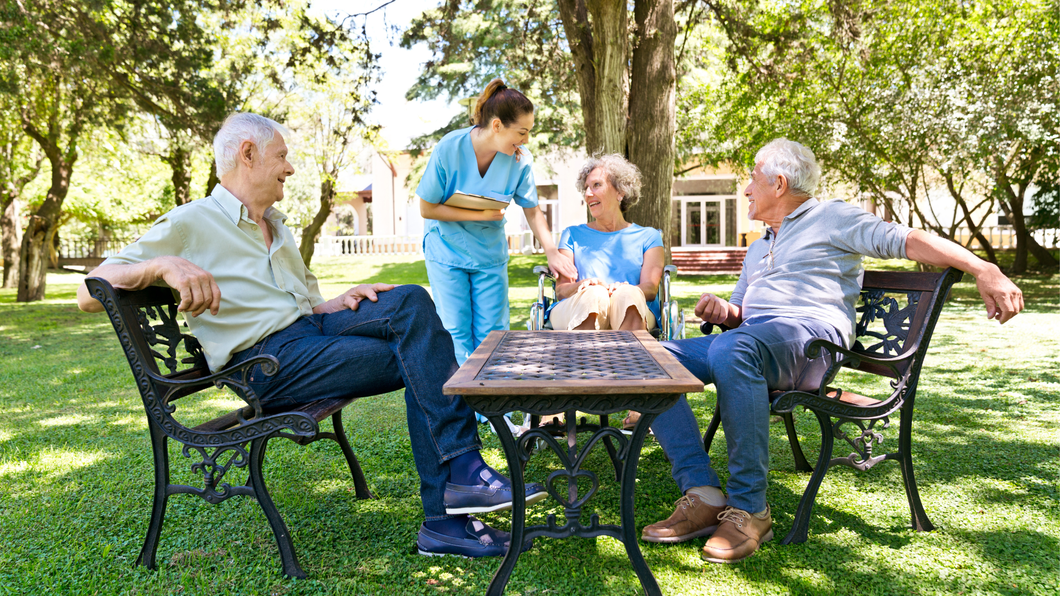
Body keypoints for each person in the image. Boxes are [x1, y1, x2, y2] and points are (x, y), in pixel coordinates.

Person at [76, 112, 549, 559]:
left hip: (311, 332)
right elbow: (88, 291)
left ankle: (456, 491)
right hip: (267, 364)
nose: (290, 167)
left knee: (409, 301)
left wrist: (342, 300)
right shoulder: (190, 222)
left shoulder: (275, 225)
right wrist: (164, 264)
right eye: (281, 156)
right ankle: (453, 502)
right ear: (247, 153)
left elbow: (301, 305)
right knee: (426, 360)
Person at [640, 138, 1024, 564]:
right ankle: (704, 492)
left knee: (735, 349)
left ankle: (750, 508)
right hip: (753, 339)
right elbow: (743, 314)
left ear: (779, 183)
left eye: (752, 177)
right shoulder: (758, 244)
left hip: (811, 341)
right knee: (651, 357)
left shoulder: (831, 217)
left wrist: (984, 268)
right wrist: (724, 310)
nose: (746, 188)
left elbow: (908, 241)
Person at [416, 79, 577, 370]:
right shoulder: (450, 148)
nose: (526, 140)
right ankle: (464, 410)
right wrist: (479, 215)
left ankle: (493, 410)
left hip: (488, 254)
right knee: (455, 331)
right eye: (522, 132)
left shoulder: (519, 160)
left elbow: (532, 210)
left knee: (494, 334)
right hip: (446, 250)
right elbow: (427, 208)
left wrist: (552, 250)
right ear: (497, 126)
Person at [549, 154, 664, 333]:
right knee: (594, 295)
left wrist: (623, 289)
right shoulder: (572, 235)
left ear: (620, 192)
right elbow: (562, 290)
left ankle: (628, 360)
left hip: (632, 307)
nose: (588, 194)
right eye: (586, 188)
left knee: (628, 295)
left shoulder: (648, 236)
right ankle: (585, 360)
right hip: (578, 307)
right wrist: (582, 286)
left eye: (596, 185)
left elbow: (650, 288)